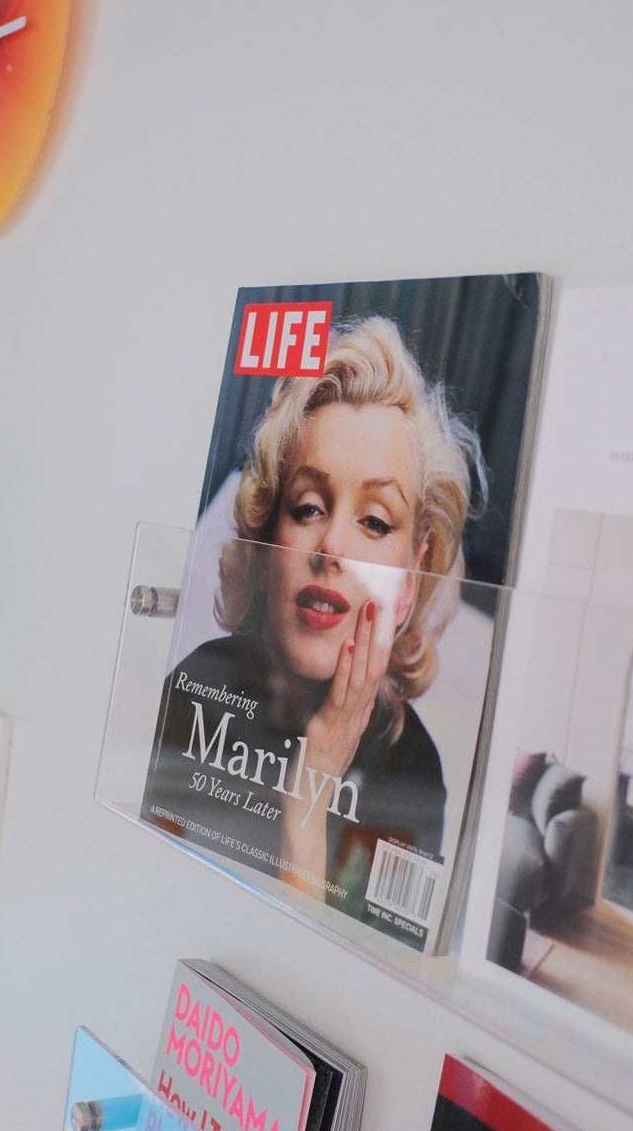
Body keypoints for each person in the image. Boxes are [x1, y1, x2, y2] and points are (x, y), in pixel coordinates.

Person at [143, 316, 484, 922]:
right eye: (307, 507)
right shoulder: (197, 687)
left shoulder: (413, 774)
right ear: (268, 535)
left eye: (375, 522)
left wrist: (310, 798)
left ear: (412, 574)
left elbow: (343, 996)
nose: (333, 548)